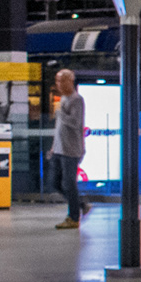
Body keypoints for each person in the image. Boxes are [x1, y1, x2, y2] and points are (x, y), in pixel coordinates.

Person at [48, 68, 88, 229]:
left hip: (70, 149)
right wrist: (53, 147)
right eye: (57, 80)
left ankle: (73, 217)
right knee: (55, 182)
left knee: (69, 183)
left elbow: (75, 123)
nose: (58, 84)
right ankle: (80, 205)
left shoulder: (76, 100)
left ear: (70, 81)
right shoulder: (63, 99)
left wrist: (60, 113)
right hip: (59, 148)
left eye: (62, 80)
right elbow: (59, 129)